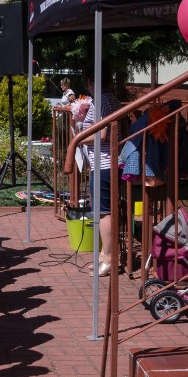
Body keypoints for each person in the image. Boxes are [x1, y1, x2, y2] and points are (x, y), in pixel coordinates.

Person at [77, 61, 122, 277]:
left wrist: (81, 137)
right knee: (106, 210)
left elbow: (102, 135)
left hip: (103, 163)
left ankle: (109, 259)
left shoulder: (101, 100)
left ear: (92, 81)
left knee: (104, 212)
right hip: (108, 162)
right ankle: (106, 255)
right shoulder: (110, 98)